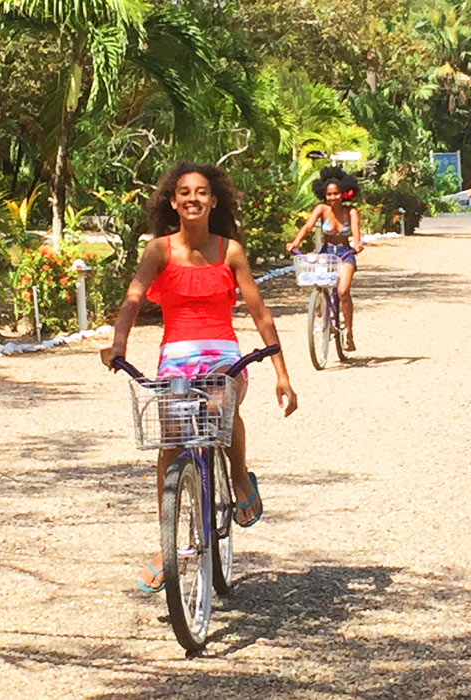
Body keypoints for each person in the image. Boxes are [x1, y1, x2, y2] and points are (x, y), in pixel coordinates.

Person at [101, 161, 298, 594]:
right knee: (169, 439)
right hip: (175, 358)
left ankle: (240, 476)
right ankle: (167, 542)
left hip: (223, 354)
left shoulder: (230, 251)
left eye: (202, 192)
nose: (193, 198)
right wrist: (118, 346)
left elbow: (261, 313)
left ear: (213, 200)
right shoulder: (159, 250)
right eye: (184, 192)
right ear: (173, 201)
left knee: (218, 410)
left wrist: (282, 375)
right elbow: (133, 300)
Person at [286, 165, 363, 351]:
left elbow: (356, 234)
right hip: (327, 252)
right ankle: (320, 306)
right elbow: (308, 227)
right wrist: (295, 242)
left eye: (336, 193)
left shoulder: (351, 212)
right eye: (329, 194)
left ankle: (349, 333)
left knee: (343, 291)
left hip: (345, 254)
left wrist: (358, 245)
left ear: (343, 193)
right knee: (318, 282)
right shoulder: (321, 209)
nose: (332, 198)